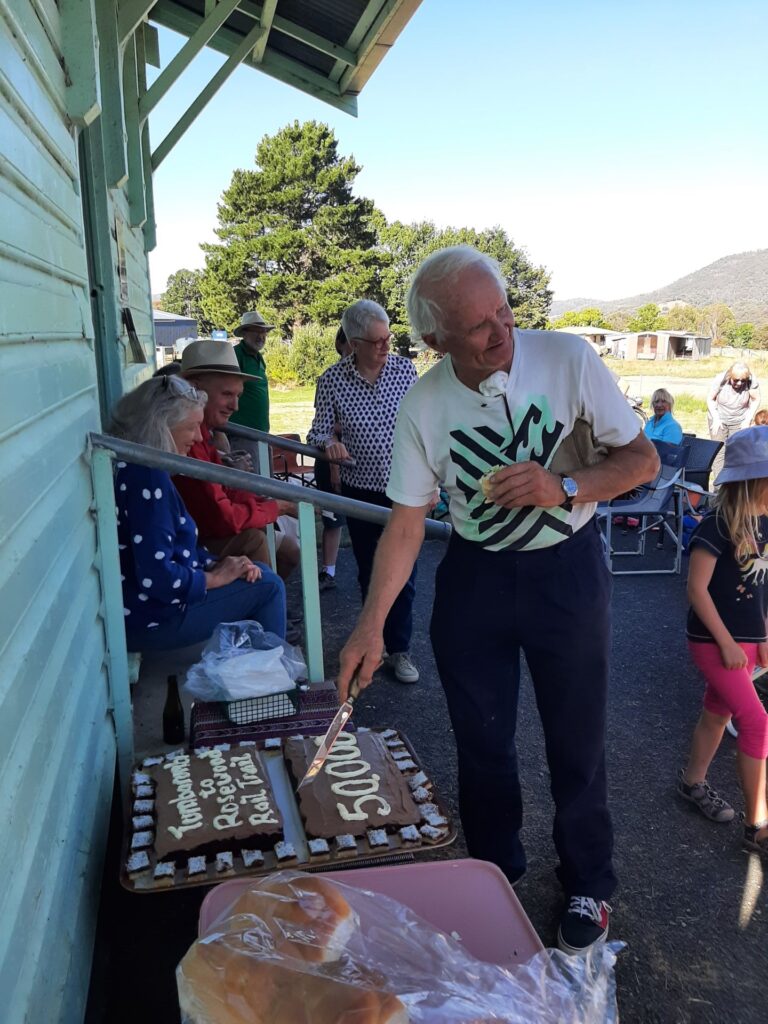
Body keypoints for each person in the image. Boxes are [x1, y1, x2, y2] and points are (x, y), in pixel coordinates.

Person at [336, 246, 659, 954]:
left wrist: (565, 487)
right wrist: (368, 629)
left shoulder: (569, 359)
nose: (500, 331)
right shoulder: (423, 402)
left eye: (503, 311)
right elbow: (407, 520)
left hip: (567, 572)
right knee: (481, 742)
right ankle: (494, 873)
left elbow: (642, 461)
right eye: (478, 325)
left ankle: (587, 882)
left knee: (576, 738)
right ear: (435, 341)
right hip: (475, 578)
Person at [109, 375, 286, 652]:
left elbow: (177, 551)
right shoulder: (147, 478)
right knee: (269, 587)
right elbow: (156, 576)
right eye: (191, 427)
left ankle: (257, 676)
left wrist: (219, 564)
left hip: (152, 610)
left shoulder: (144, 468)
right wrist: (215, 578)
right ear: (163, 428)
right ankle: (269, 679)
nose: (197, 437)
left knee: (258, 573)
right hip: (153, 620)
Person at [307, 300, 420, 684]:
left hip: (405, 489)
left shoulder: (406, 371)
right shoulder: (332, 380)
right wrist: (329, 444)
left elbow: (425, 426)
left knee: (405, 572)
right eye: (376, 341)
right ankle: (377, 641)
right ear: (353, 343)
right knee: (371, 569)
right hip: (361, 491)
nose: (386, 345)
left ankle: (400, 648)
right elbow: (317, 430)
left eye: (388, 337)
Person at [678, 426, 768, 858]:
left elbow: (761, 586)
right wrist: (729, 643)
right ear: (755, 480)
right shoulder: (716, 524)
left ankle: (692, 782)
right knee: (756, 722)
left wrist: (762, 637)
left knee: (717, 714)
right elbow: (696, 590)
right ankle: (758, 825)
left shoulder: (763, 523)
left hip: (747, 642)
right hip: (715, 642)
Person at [175, 340, 300, 582]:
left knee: (283, 548)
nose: (235, 406)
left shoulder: (203, 434)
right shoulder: (186, 440)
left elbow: (228, 494)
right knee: (252, 539)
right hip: (192, 549)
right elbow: (223, 519)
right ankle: (265, 606)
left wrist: (267, 502)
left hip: (203, 536)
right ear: (194, 388)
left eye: (238, 395)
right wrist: (278, 507)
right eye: (226, 394)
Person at [313, 326, 352, 591]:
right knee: (332, 518)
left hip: (361, 463)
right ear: (340, 344)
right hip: (331, 460)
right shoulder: (330, 379)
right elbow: (323, 428)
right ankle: (328, 570)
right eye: (351, 342)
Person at [708, 362, 760, 482]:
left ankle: (732, 484)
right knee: (719, 452)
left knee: (735, 452)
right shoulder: (720, 379)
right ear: (730, 376)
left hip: (739, 420)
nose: (739, 383)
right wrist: (716, 418)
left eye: (743, 380)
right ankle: (720, 485)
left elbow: (756, 399)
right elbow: (710, 398)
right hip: (719, 418)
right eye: (736, 380)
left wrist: (747, 420)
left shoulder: (751, 381)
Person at [228, 310, 274, 436]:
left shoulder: (259, 357)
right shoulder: (235, 355)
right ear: (244, 333)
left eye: (263, 332)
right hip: (241, 433)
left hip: (261, 432)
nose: (261, 336)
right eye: (255, 332)